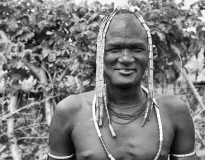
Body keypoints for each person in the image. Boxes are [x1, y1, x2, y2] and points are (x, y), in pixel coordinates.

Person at [47, 7, 196, 160]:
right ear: (99, 52)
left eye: (136, 48)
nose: (126, 59)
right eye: (115, 49)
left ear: (150, 54)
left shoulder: (173, 111)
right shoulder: (71, 112)